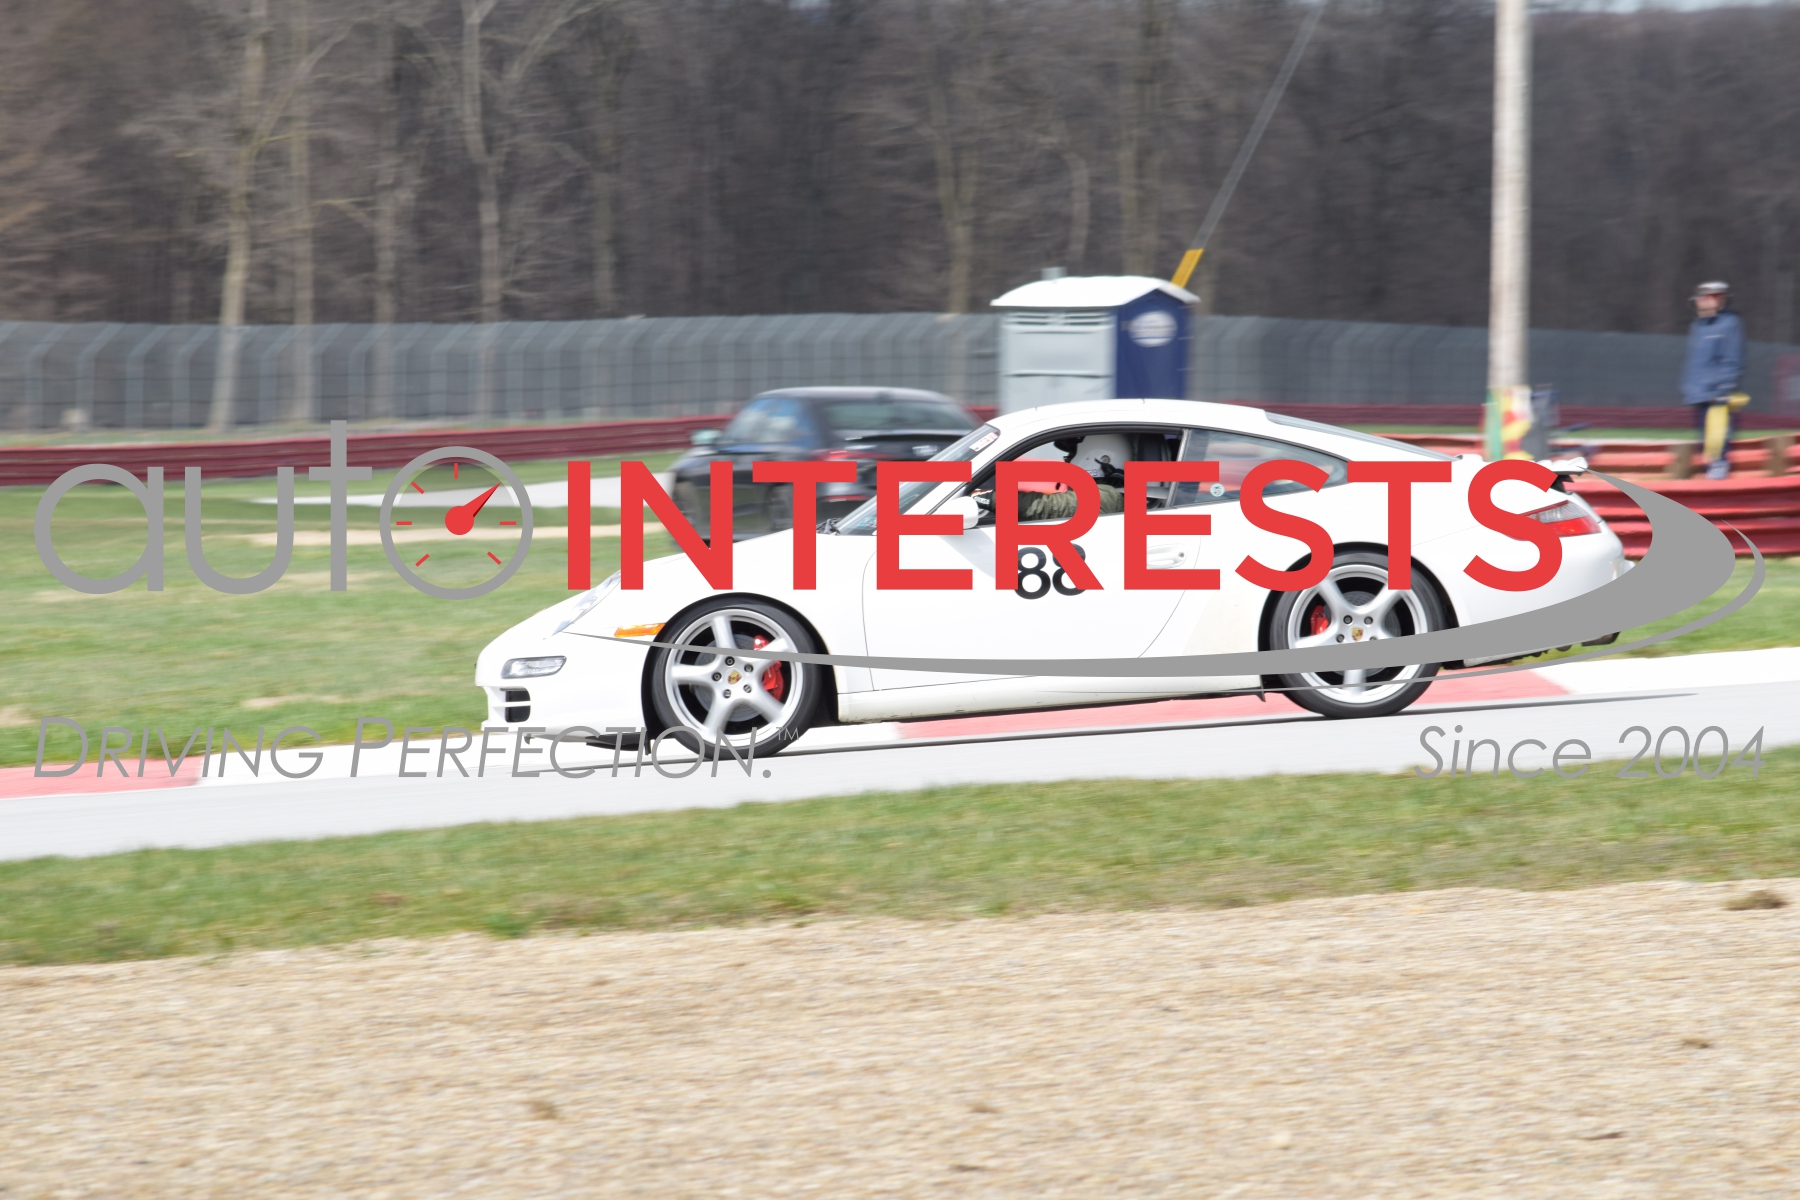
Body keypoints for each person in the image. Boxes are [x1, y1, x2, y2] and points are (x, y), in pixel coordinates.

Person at [975, 433, 1132, 522]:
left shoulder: (1109, 497)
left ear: (1102, 459)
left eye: (1071, 455)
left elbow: (1047, 507)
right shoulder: (1106, 493)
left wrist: (988, 497)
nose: (1067, 461)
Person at [1681, 281, 1747, 480]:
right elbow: (1695, 361)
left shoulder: (1730, 323)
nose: (1702, 301)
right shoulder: (1698, 326)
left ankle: (1719, 472)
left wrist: (1725, 387)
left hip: (1717, 393)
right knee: (1704, 441)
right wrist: (1690, 388)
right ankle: (1709, 471)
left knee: (1718, 440)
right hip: (1700, 392)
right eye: (1701, 297)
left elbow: (1733, 358)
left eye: (1709, 297)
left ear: (1719, 300)